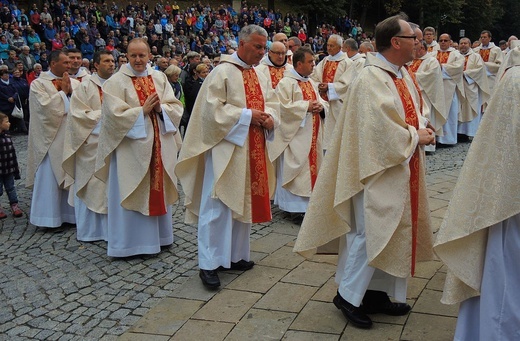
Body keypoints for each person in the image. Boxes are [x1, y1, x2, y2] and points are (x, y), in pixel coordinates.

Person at [294, 15, 436, 329]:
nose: (419, 42)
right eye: (412, 37)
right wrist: (416, 136)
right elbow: (380, 130)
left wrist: (423, 126)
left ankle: (376, 292)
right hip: (374, 170)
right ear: (396, 42)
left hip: (398, 166)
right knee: (370, 233)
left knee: (392, 231)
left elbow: (411, 111)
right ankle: (347, 295)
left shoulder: (399, 74)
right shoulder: (371, 77)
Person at [175, 25, 279, 289]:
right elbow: (210, 113)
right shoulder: (222, 72)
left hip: (253, 146)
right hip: (226, 149)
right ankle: (208, 264)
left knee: (243, 201)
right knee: (218, 204)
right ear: (242, 44)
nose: (261, 52)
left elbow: (273, 104)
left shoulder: (259, 74)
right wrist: (247, 116)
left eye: (263, 47)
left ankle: (236, 256)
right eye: (257, 46)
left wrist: (270, 119)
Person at [434, 43, 520, 341]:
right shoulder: (516, 81)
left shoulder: (513, 80)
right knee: (506, 277)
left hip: (509, 197)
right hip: (512, 201)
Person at [94, 38, 183, 257]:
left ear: (149, 56)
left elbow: (175, 106)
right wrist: (141, 111)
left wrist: (161, 110)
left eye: (142, 55)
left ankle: (161, 238)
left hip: (158, 145)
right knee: (130, 187)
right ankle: (130, 245)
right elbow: (112, 117)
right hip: (130, 150)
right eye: (133, 55)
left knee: (157, 188)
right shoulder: (115, 82)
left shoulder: (159, 77)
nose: (138, 60)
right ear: (126, 56)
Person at [63, 51, 115, 242]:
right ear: (96, 65)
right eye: (106, 61)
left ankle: (112, 230)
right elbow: (78, 116)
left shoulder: (118, 85)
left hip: (113, 145)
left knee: (110, 188)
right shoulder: (84, 87)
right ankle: (91, 232)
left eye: (112, 61)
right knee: (92, 185)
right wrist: (107, 117)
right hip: (90, 144)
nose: (111, 64)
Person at [269, 47, 326, 223]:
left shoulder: (311, 83)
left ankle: (308, 207)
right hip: (295, 137)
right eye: (310, 62)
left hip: (313, 134)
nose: (313, 65)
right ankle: (294, 209)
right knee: (297, 172)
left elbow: (321, 101)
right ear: (299, 63)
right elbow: (281, 108)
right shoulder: (286, 83)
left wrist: (322, 107)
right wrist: (305, 107)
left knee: (311, 170)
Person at [27, 50, 80, 228]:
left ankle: (70, 216)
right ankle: (48, 219)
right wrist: (63, 93)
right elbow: (44, 109)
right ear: (53, 63)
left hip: (69, 136)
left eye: (70, 62)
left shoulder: (74, 82)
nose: (70, 65)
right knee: (49, 179)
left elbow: (81, 105)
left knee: (70, 173)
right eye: (65, 62)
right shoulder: (38, 84)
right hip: (49, 139)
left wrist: (71, 92)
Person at [406, 29, 446, 153]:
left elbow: (431, 76)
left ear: (423, 49)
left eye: (416, 49)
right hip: (414, 93)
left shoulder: (432, 61)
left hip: (426, 94)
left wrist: (411, 76)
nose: (414, 51)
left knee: (426, 116)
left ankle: (428, 144)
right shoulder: (412, 61)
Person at [311, 34, 353, 150]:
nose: (328, 48)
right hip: (323, 102)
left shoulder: (347, 63)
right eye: (328, 45)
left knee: (335, 137)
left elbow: (348, 84)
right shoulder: (325, 60)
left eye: (332, 46)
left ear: (340, 47)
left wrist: (329, 87)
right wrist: (319, 85)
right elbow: (314, 77)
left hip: (337, 103)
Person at [432, 33, 465, 146]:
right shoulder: (433, 53)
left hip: (449, 87)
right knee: (436, 111)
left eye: (445, 40)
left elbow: (458, 68)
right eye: (441, 40)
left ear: (450, 42)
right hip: (436, 87)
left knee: (450, 113)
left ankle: (447, 139)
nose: (443, 42)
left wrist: (442, 67)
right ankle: (436, 138)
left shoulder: (456, 54)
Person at [457, 37, 490, 140]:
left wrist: (465, 74)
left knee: (470, 108)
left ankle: (469, 132)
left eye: (465, 43)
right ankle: (458, 132)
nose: (463, 45)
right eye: (461, 43)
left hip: (470, 86)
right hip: (458, 86)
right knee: (458, 108)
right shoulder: (456, 56)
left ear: (469, 45)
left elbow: (480, 70)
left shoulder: (476, 56)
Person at [0, 112, 23, 218]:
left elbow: (12, 153)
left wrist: (15, 169)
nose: (9, 123)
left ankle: (14, 205)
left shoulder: (8, 135)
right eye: (7, 122)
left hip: (9, 168)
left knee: (11, 187)